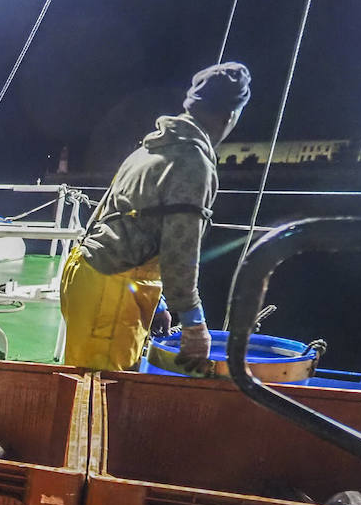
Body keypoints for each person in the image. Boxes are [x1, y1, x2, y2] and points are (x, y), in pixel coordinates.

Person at [59, 62, 252, 373]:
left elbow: (120, 218)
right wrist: (193, 324)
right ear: (230, 116)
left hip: (88, 273)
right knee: (97, 394)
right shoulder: (192, 162)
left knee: (85, 382)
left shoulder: (150, 149)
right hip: (111, 291)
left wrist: (158, 303)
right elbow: (180, 249)